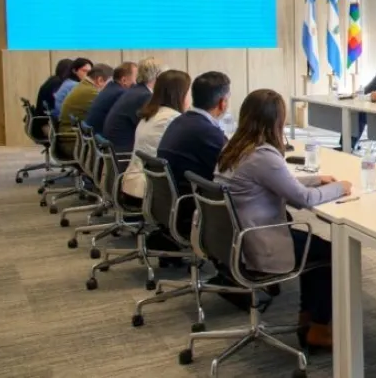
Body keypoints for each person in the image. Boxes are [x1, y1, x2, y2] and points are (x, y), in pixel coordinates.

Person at [216, 89, 352, 350]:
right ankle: (317, 327)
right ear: (274, 121)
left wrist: (315, 178)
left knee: (313, 248)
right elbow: (304, 200)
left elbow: (276, 183)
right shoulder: (263, 155)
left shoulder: (234, 147)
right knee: (329, 253)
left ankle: (307, 320)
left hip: (235, 239)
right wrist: (341, 187)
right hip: (260, 242)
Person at [157, 71, 231, 238]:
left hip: (170, 203)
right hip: (193, 208)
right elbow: (235, 170)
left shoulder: (180, 121)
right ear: (222, 103)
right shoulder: (207, 132)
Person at [121, 70, 192, 206]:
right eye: (188, 92)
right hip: (147, 191)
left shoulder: (151, 113)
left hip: (132, 184)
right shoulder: (172, 118)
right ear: (180, 94)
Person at [103, 57, 165, 156]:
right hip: (123, 152)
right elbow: (149, 129)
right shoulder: (144, 96)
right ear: (158, 76)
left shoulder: (135, 91)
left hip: (114, 148)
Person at [57, 63, 113, 158]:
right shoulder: (91, 92)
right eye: (110, 84)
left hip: (72, 139)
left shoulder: (84, 86)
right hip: (74, 143)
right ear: (100, 80)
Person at [84, 62, 138, 134]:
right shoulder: (120, 93)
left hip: (94, 135)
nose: (137, 83)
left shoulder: (111, 87)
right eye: (136, 78)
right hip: (101, 138)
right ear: (124, 80)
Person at [33, 58, 72, 139]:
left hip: (42, 123)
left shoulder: (52, 80)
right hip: (47, 125)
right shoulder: (58, 84)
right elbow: (59, 108)